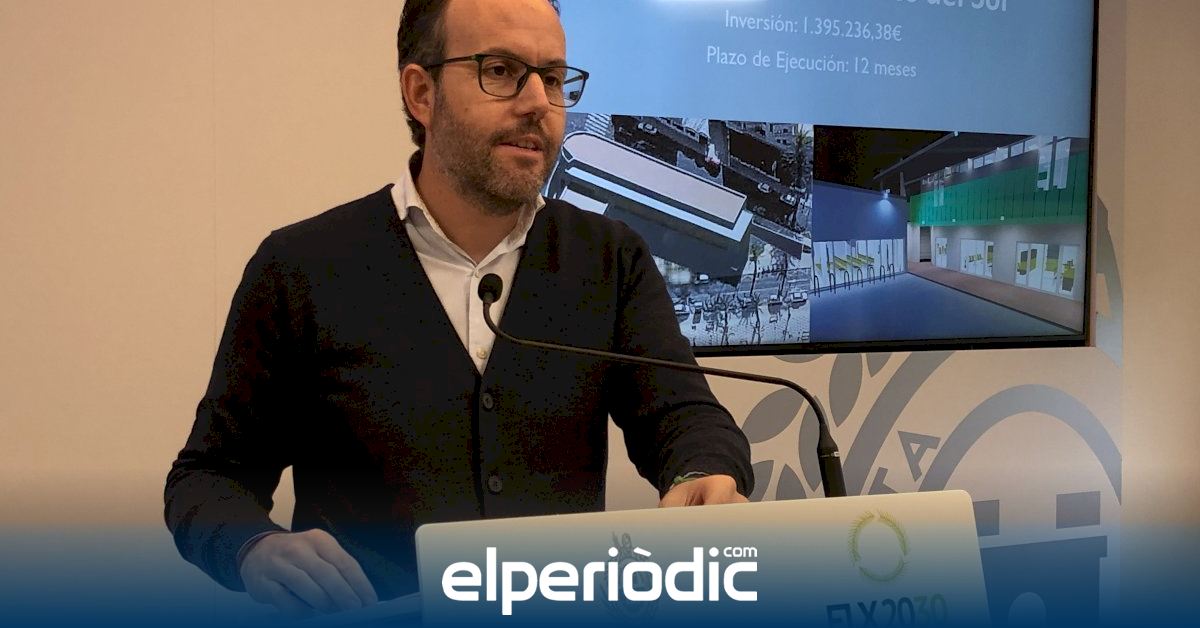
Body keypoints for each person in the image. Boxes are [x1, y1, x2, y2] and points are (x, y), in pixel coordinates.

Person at [164, 0, 753, 617]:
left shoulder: (609, 257)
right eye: (500, 70)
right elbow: (208, 478)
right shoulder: (301, 266)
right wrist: (252, 547)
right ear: (422, 93)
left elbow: (686, 417)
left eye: (553, 78)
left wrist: (701, 473)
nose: (538, 103)